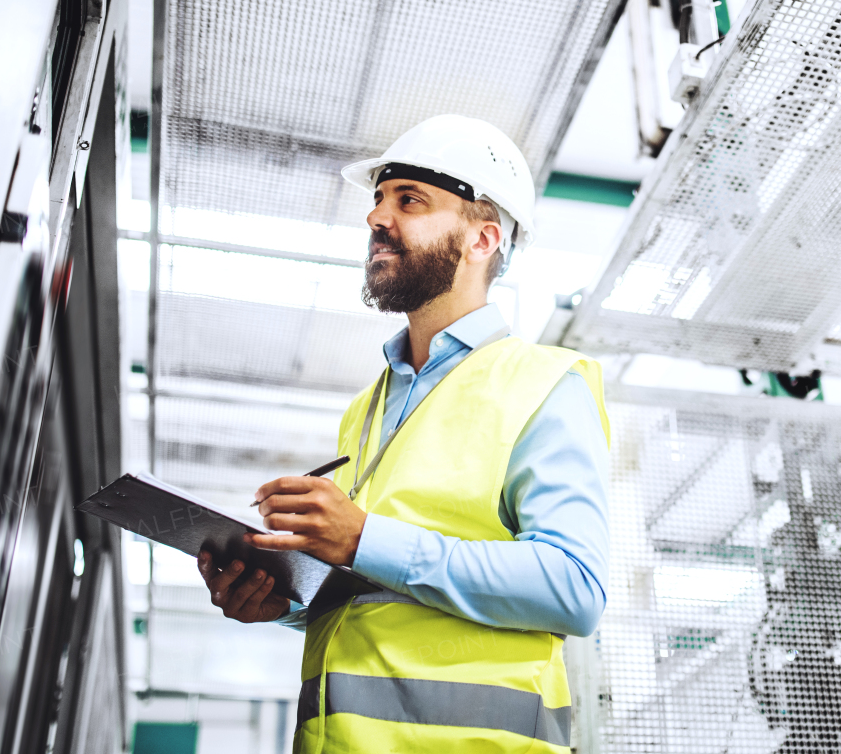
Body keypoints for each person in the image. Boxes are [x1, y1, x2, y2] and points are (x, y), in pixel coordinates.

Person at [195, 114, 610, 753]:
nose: (376, 219)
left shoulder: (545, 383)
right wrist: (286, 602)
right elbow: (380, 593)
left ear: (482, 240)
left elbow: (574, 587)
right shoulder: (366, 408)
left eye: (408, 200)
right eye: (378, 200)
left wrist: (362, 537)